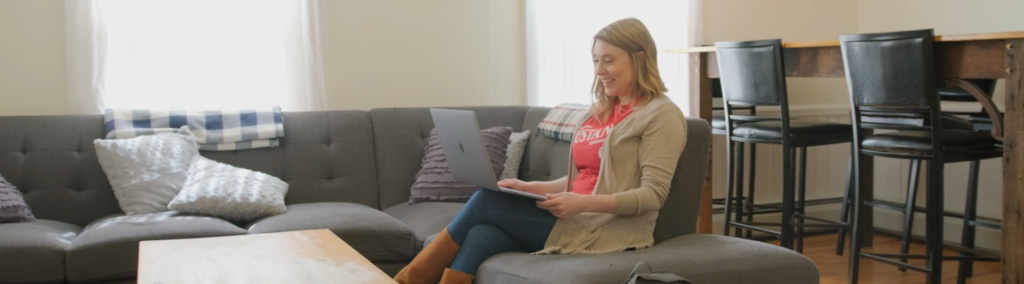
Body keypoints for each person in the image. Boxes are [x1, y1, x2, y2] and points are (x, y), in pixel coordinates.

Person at [393, 17, 688, 284]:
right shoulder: (600, 111)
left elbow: (653, 195)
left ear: (640, 58)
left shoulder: (660, 115)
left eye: (609, 61)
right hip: (574, 215)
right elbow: (580, 179)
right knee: (481, 235)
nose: (599, 71)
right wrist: (526, 186)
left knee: (485, 200)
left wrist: (582, 204)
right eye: (596, 60)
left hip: (603, 228)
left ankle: (406, 280)